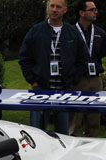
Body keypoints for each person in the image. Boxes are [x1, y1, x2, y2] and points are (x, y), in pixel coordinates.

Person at [19, 0, 89, 135]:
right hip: (40, 91)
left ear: (65, 10)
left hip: (63, 91)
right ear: (48, 8)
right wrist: (33, 81)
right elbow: (24, 58)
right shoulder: (36, 31)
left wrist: (72, 80)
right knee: (37, 133)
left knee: (63, 134)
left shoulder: (72, 33)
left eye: (58, 7)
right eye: (52, 6)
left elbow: (82, 60)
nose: (54, 9)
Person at [69, 1, 106, 137]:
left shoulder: (100, 33)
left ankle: (92, 148)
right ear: (81, 13)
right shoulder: (70, 32)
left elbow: (102, 53)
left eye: (96, 9)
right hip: (78, 80)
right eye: (92, 10)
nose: (95, 12)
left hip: (95, 80)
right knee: (75, 120)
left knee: (94, 119)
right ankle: (73, 151)